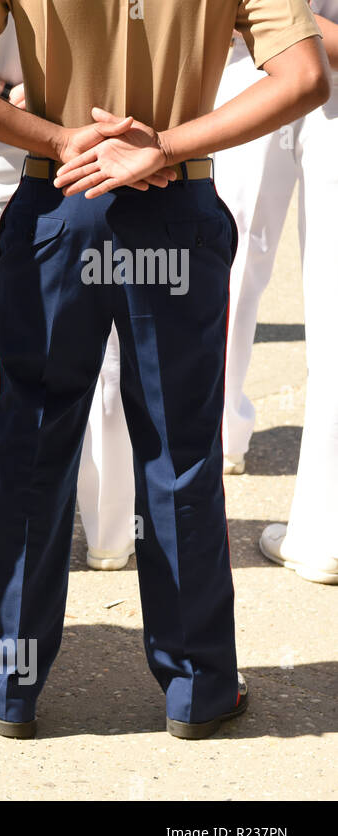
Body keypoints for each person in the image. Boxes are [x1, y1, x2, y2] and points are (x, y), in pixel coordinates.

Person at [0, 0, 329, 739]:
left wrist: (58, 137)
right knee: (182, 455)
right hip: (174, 201)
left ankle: (7, 679)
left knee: (34, 447)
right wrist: (164, 147)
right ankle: (197, 686)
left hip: (59, 197)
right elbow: (304, 79)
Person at [0, 11, 137, 574]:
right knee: (110, 337)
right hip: (107, 136)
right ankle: (112, 531)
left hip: (3, 138)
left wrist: (4, 91)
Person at [213, 1, 338, 585]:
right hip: (258, 59)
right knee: (225, 262)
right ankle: (324, 529)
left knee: (226, 264)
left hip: (262, 57)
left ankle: (323, 530)